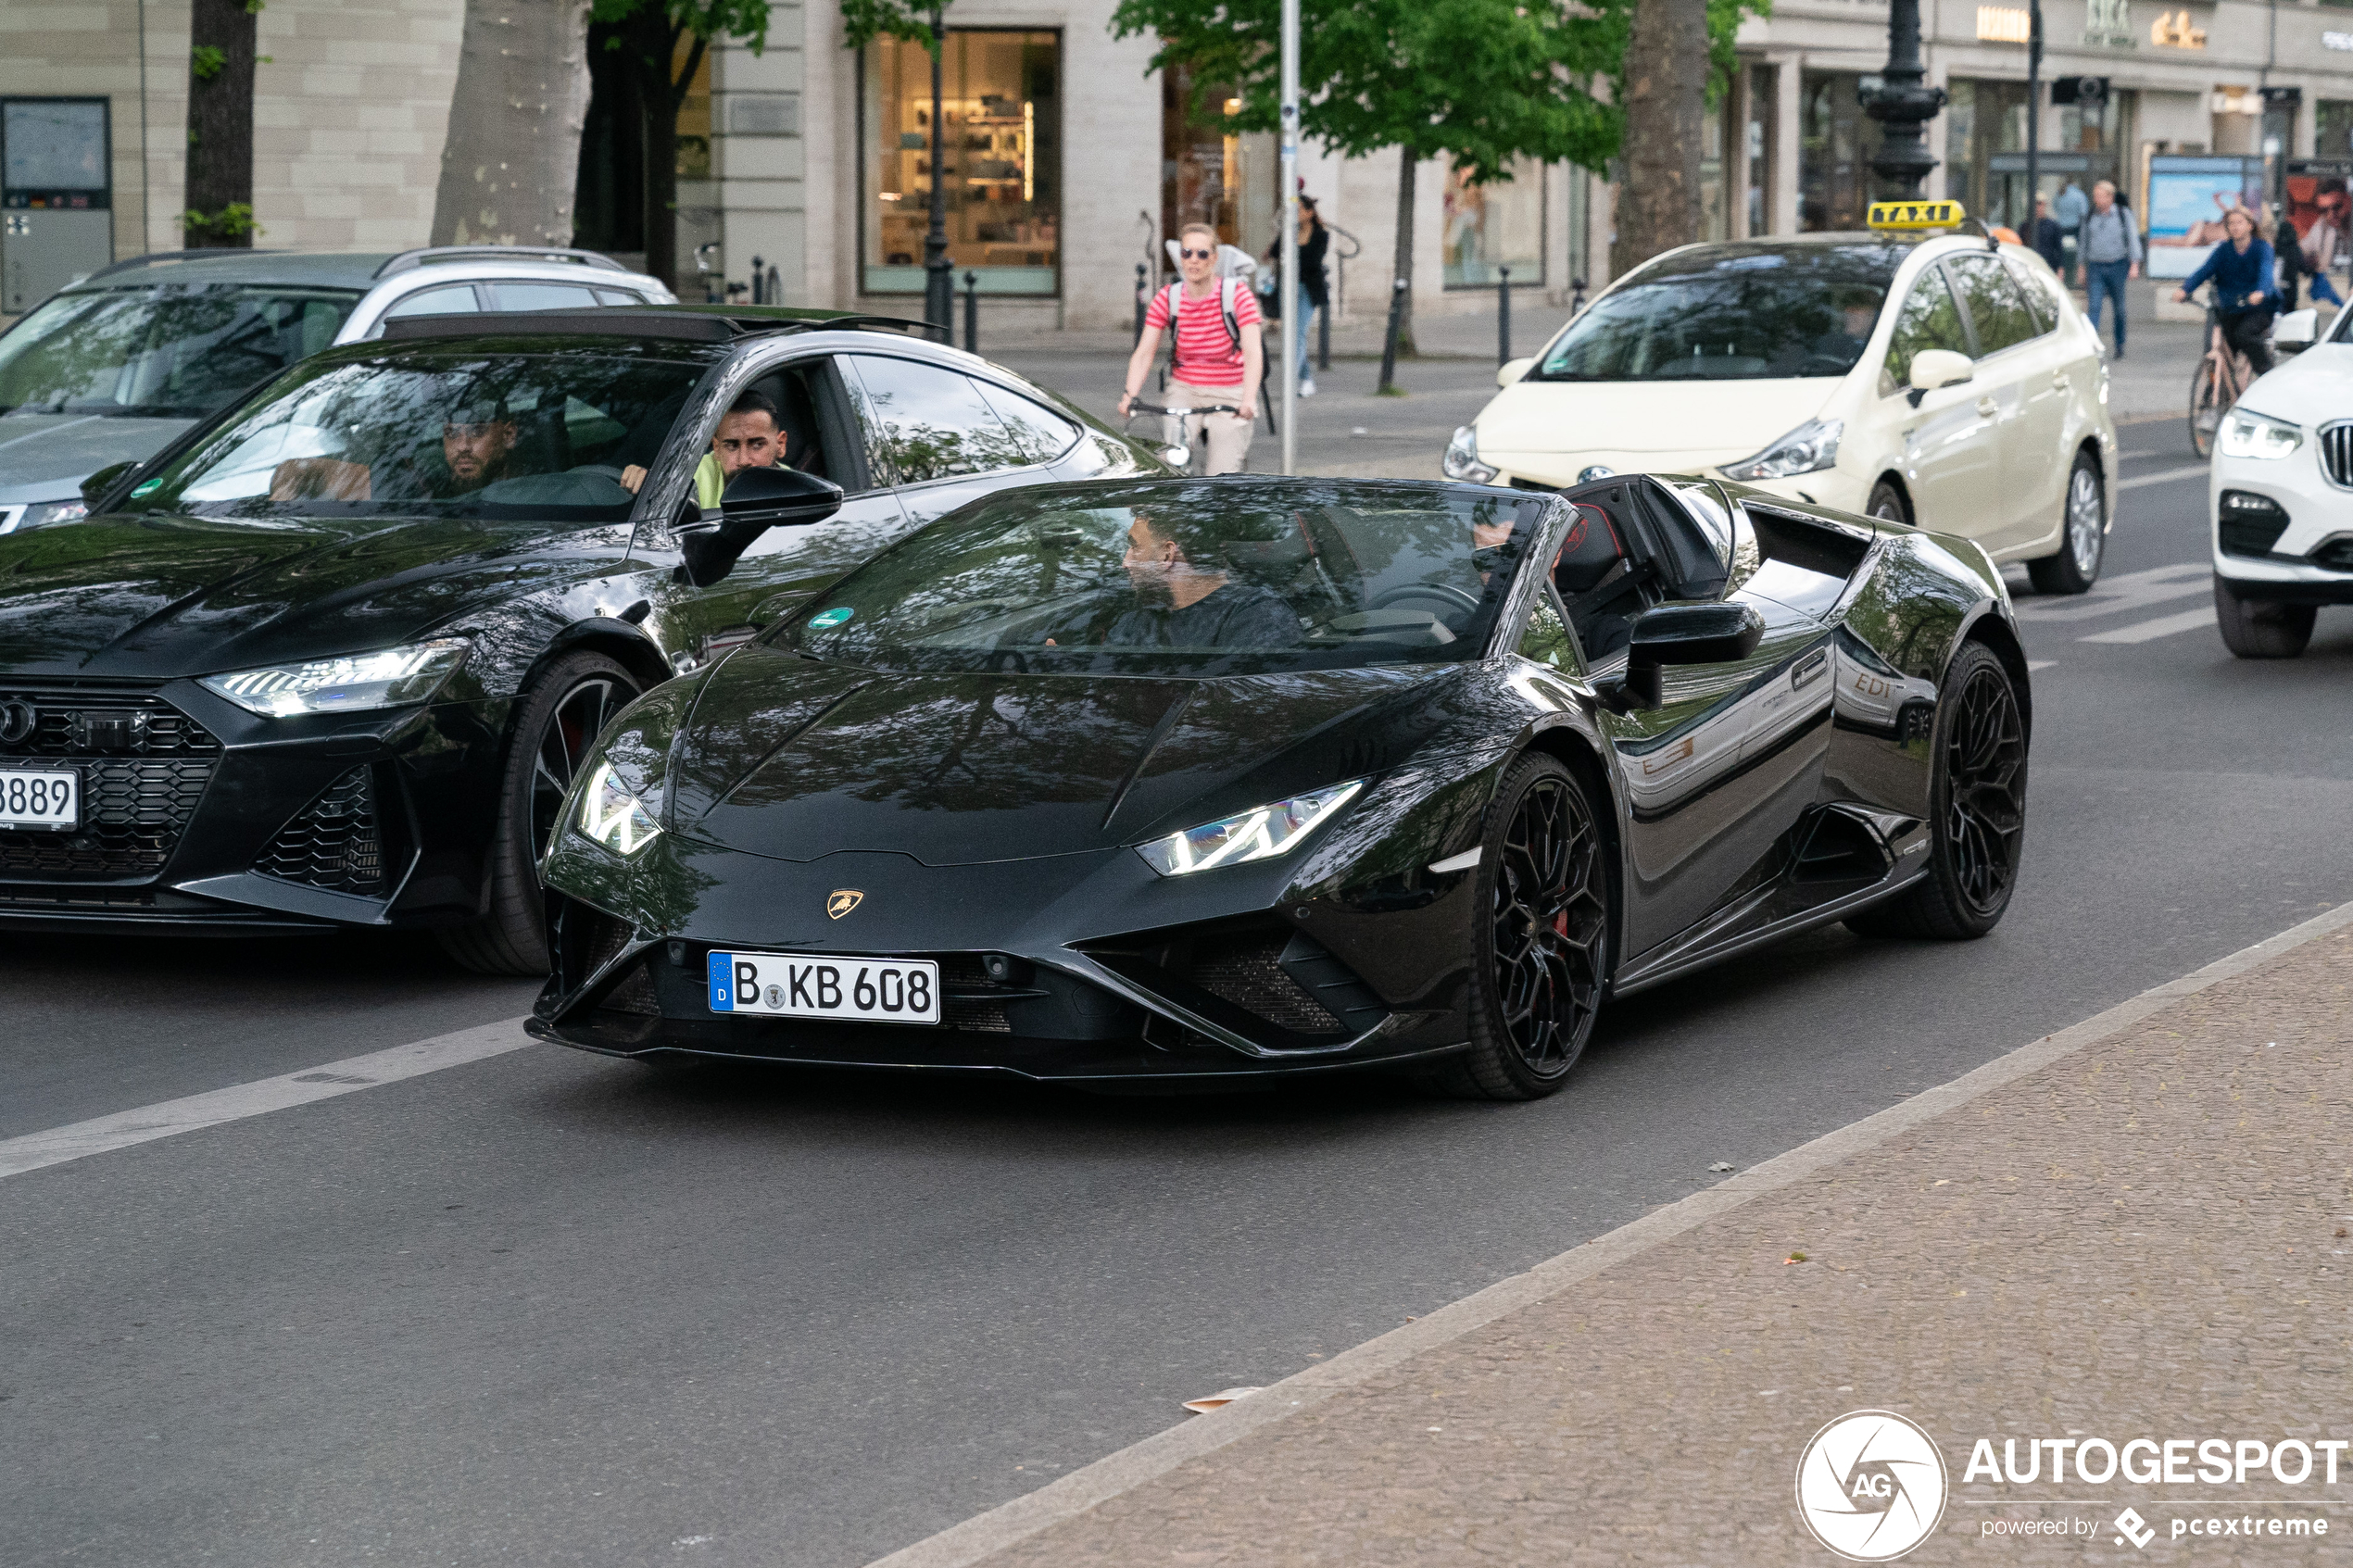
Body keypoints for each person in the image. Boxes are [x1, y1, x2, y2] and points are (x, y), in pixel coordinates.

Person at [1120, 222, 1265, 475]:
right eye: (1186, 253)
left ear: (1214, 258)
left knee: (1221, 476)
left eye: (1202, 254)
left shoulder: (1237, 295)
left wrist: (1249, 398)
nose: (1193, 260)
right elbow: (1144, 353)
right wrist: (1129, 394)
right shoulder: (1169, 297)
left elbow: (1253, 352)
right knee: (1173, 463)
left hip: (1229, 391)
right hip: (1185, 389)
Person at [1099, 510, 1298, 649]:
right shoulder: (1137, 623)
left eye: (1135, 547)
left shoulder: (1258, 617)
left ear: (1167, 555)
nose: (1125, 562)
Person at [619, 389, 787, 502]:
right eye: (731, 446)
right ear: (716, 448)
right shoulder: (694, 473)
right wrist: (646, 482)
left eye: (757, 445)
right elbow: (669, 487)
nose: (743, 460)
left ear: (780, 445)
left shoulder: (798, 490)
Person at [2174, 205, 2279, 379]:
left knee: (2244, 335)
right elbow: (2204, 271)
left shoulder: (2262, 248)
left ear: (2250, 225)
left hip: (2258, 307)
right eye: (2231, 223)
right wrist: (2185, 289)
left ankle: (2267, 375)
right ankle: (2217, 390)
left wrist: (2260, 292)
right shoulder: (2223, 250)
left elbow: (2266, 273)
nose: (2235, 227)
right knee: (2218, 345)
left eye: (2240, 222)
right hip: (2230, 306)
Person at [2080, 179, 2143, 359]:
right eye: (2095, 196)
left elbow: (2132, 238)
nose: (2096, 199)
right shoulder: (2090, 215)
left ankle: (2120, 344)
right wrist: (2081, 266)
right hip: (2096, 266)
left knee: (2119, 309)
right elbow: (2084, 242)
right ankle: (2091, 346)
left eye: (2100, 195)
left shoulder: (2123, 214)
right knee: (2094, 306)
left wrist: (2134, 264)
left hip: (2117, 265)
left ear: (2110, 197)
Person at [2306, 178, 2348, 307]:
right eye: (2324, 210)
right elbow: (2305, 248)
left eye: (2336, 207)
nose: (2330, 215)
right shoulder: (2321, 226)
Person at [2053, 179, 2091, 285]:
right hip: (2075, 228)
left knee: (2061, 252)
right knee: (2079, 252)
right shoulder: (2080, 195)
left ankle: (2062, 274)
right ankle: (2078, 275)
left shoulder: (2059, 194)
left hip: (2061, 227)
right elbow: (2084, 212)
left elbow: (2055, 206)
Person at [2027, 196, 2066, 275]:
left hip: (2048, 267)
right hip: (2030, 266)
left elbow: (2059, 248)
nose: (2038, 207)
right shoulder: (2025, 226)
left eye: (2040, 204)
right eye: (2035, 204)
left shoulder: (2053, 225)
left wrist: (2060, 268)